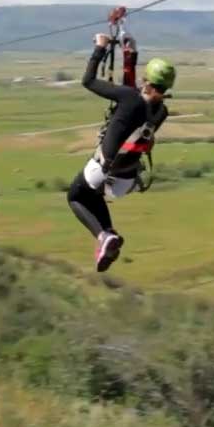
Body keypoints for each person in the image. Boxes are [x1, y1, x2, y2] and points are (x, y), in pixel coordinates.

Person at [66, 32, 176, 272]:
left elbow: (88, 80)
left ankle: (103, 236)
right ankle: (109, 235)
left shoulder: (129, 98)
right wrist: (130, 52)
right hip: (126, 181)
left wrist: (100, 48)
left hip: (104, 170)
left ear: (146, 80)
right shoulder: (161, 111)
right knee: (92, 196)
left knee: (75, 196)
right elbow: (133, 91)